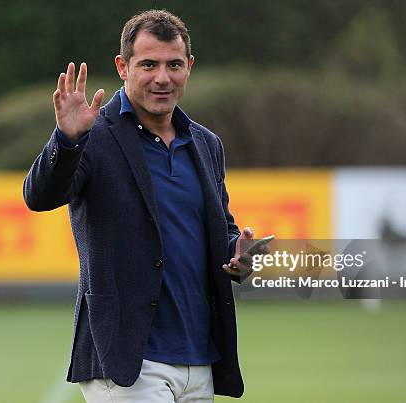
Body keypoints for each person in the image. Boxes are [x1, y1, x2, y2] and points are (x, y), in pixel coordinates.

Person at [23, 9, 256, 402]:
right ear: (122, 67)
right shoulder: (92, 135)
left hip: (200, 357)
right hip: (128, 360)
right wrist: (65, 140)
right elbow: (40, 196)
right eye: (148, 64)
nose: (162, 77)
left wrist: (238, 252)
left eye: (174, 64)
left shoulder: (206, 144)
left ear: (189, 67)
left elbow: (219, 229)